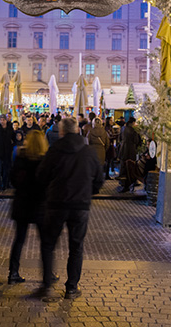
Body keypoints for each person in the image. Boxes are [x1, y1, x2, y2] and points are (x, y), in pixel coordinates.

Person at [37, 117, 104, 300]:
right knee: (76, 246)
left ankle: (48, 286)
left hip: (57, 203)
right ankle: (71, 288)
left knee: (49, 244)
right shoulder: (88, 152)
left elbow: (41, 176)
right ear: (78, 130)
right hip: (80, 205)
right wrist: (88, 192)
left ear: (61, 132)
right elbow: (99, 180)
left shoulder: (54, 151)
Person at [7, 130, 49, 284]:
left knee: (19, 239)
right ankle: (47, 274)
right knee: (45, 242)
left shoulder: (20, 157)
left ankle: (13, 272)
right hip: (39, 204)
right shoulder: (44, 160)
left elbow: (13, 179)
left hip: (22, 203)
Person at [0, 115, 15, 193]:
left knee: (5, 171)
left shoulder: (10, 129)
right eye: (1, 120)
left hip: (7, 153)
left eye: (4, 120)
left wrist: (11, 146)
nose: (2, 121)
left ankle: (4, 186)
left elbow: (13, 139)